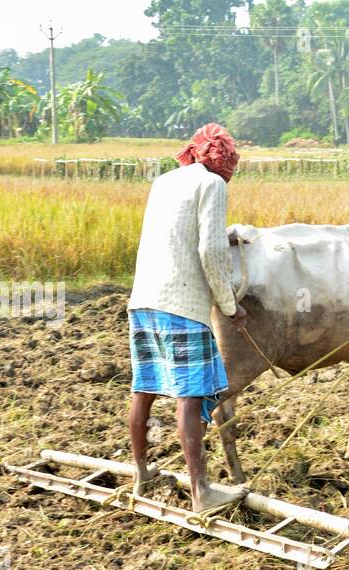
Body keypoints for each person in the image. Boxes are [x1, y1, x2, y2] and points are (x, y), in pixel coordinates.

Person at [126, 123, 247, 512]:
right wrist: (230, 306)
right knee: (189, 396)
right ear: (224, 163)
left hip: (144, 300)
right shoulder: (212, 185)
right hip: (182, 304)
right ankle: (202, 492)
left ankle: (142, 472)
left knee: (144, 389)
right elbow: (211, 252)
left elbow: (170, 235)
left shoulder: (164, 181)